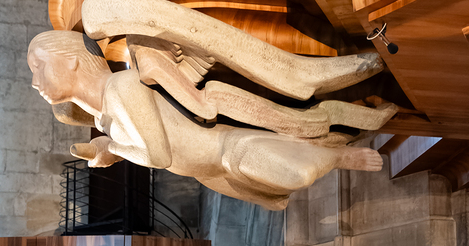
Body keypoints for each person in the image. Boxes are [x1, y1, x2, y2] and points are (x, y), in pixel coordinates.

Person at [27, 30, 384, 210]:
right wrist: (110, 146)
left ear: (72, 60)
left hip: (229, 150)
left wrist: (111, 148)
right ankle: (332, 154)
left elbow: (157, 156)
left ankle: (339, 156)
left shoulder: (122, 87)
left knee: (297, 174)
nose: (34, 80)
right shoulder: (103, 116)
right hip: (212, 173)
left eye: (39, 66)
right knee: (284, 187)